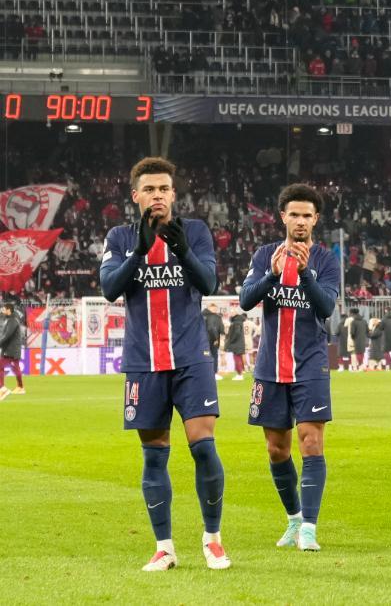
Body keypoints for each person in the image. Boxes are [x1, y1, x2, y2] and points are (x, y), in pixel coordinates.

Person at [99, 156, 230, 570]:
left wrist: (183, 250)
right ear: (136, 195)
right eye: (150, 189)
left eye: (165, 188)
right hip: (143, 360)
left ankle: (212, 539)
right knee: (154, 456)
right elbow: (109, 288)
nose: (158, 195)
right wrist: (138, 251)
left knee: (203, 448)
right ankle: (164, 547)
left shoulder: (195, 231)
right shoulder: (120, 236)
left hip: (191, 356)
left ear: (174, 193)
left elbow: (208, 283)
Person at [240, 183, 339, 552]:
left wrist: (305, 272)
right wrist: (272, 274)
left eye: (306, 215)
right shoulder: (265, 254)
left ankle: (310, 529)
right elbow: (246, 300)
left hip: (310, 364)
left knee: (310, 442)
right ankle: (294, 519)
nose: (300, 221)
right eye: (293, 214)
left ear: (316, 219)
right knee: (276, 449)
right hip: (270, 366)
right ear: (283, 216)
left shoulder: (326, 260)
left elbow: (327, 306)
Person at [0, 303, 24, 399]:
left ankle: (3, 389)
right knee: (16, 368)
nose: (2, 310)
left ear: (9, 310)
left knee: (1, 366)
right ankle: (20, 387)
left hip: (11, 349)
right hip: (10, 349)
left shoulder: (13, 320)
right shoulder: (8, 319)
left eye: (4, 309)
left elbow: (7, 335)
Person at [204, 303, 225, 380]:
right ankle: (214, 373)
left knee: (206, 357)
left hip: (203, 340)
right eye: (214, 308)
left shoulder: (202, 315)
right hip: (212, 341)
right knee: (214, 356)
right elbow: (211, 328)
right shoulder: (214, 317)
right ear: (209, 308)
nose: (215, 310)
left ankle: (207, 373)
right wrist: (216, 339)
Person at [224, 312, 248, 380]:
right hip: (239, 343)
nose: (230, 314)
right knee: (239, 358)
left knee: (237, 358)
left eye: (231, 313)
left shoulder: (237, 322)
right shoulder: (238, 321)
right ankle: (240, 372)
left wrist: (231, 340)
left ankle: (239, 374)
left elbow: (237, 332)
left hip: (237, 344)